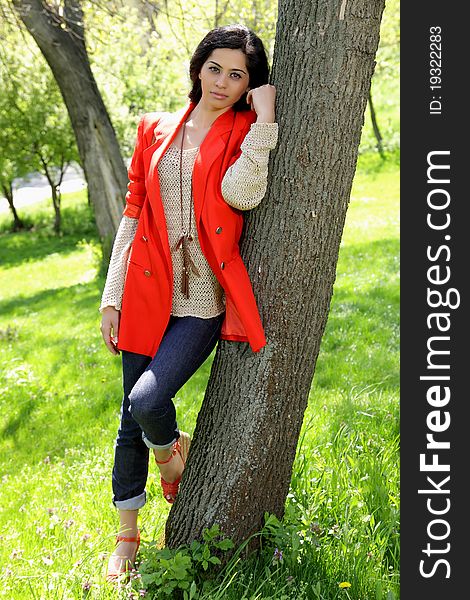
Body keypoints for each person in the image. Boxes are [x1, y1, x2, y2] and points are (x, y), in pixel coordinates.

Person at [99, 23, 278, 580]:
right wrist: (112, 297)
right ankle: (128, 534)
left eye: (237, 75)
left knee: (149, 400)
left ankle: (172, 450)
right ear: (198, 67)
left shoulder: (246, 127)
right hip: (146, 291)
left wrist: (265, 120)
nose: (222, 82)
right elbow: (133, 212)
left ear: (250, 84)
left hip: (202, 298)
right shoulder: (154, 127)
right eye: (215, 68)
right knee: (130, 416)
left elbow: (242, 194)